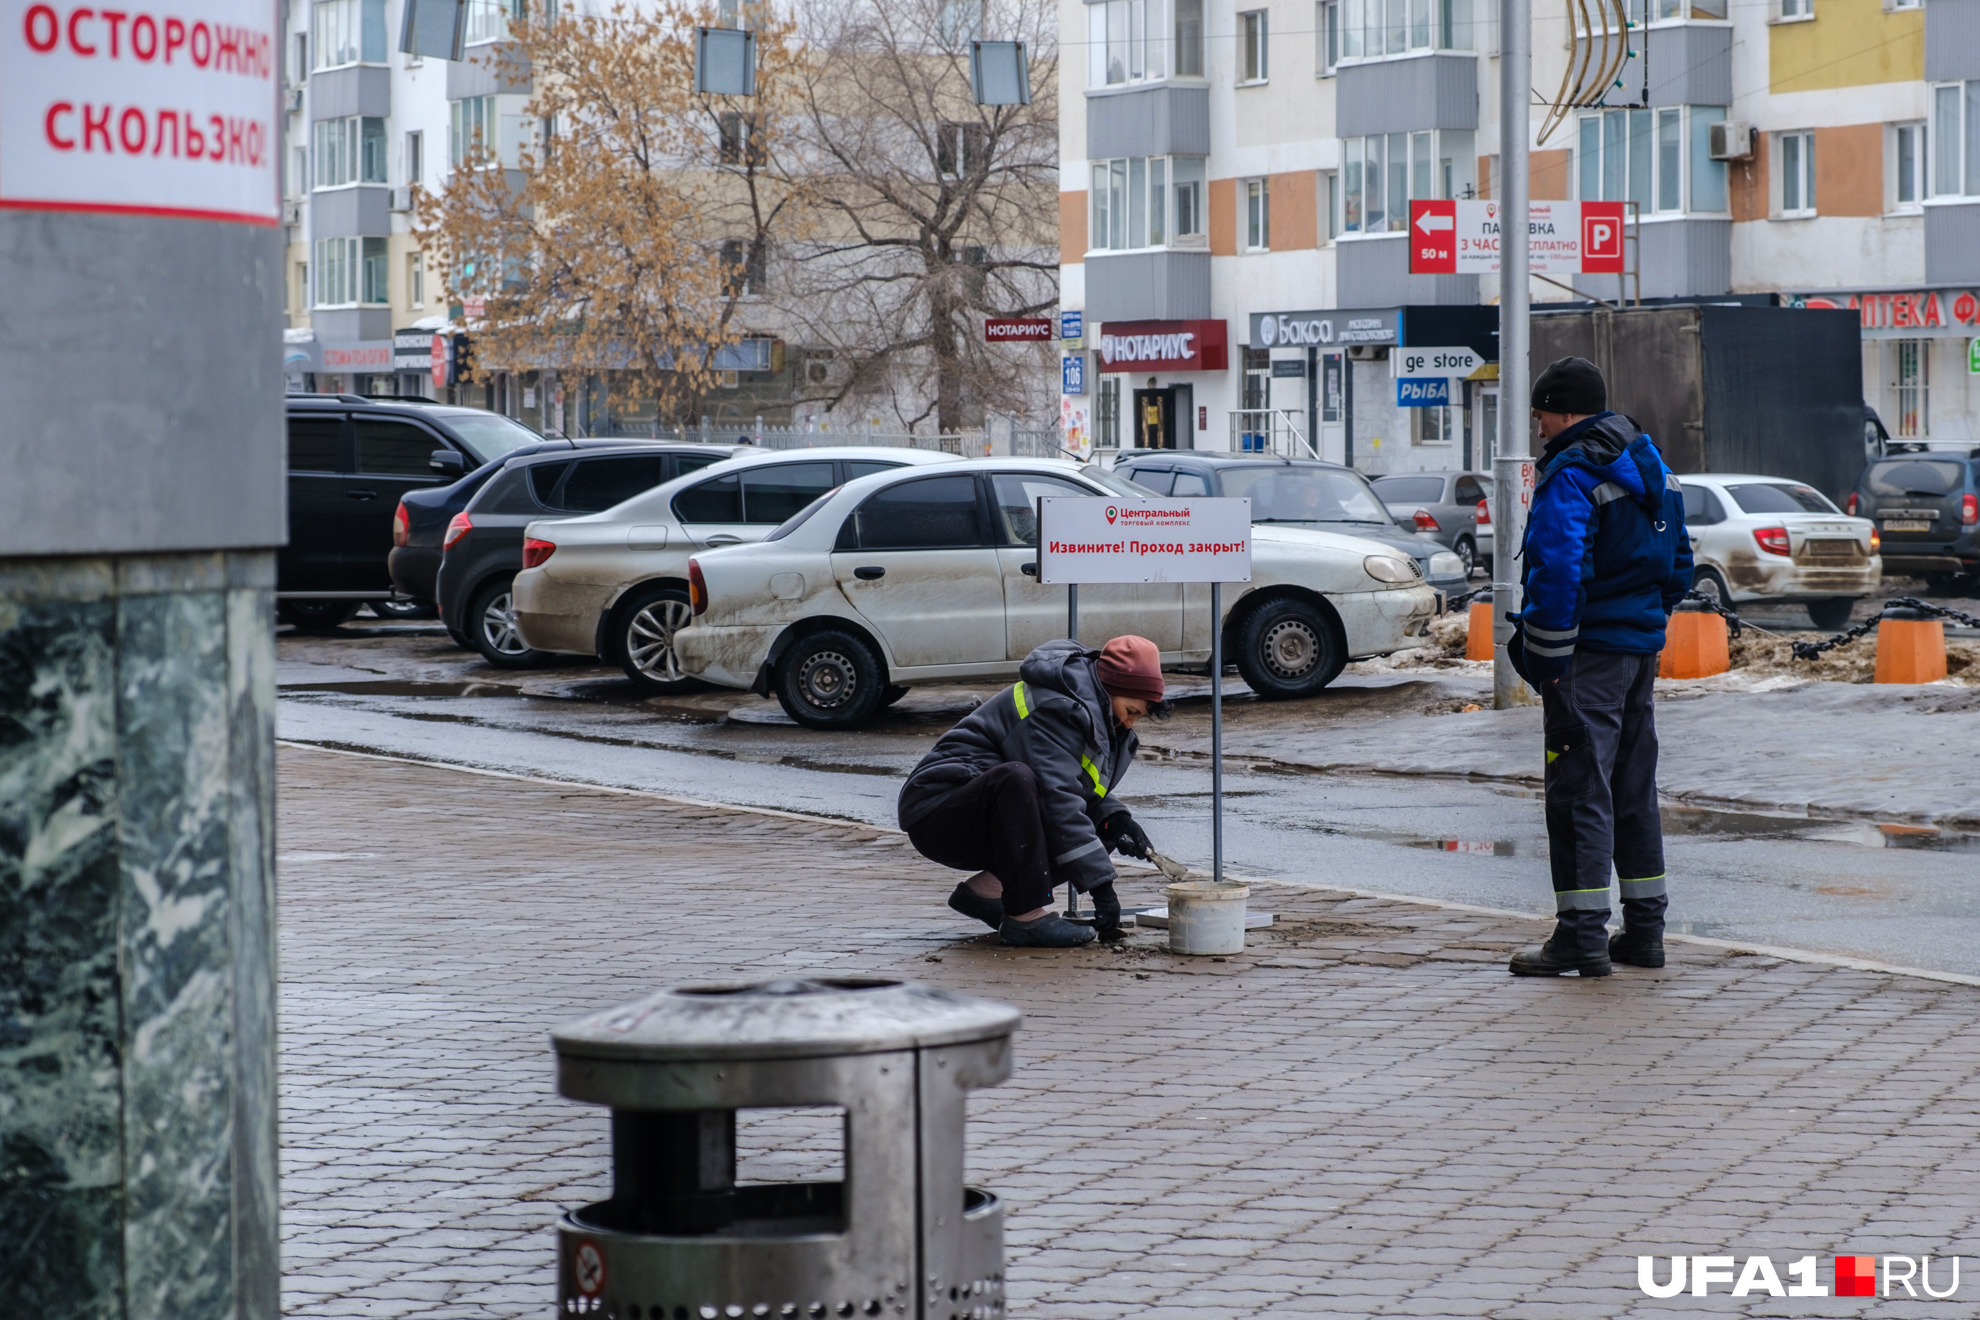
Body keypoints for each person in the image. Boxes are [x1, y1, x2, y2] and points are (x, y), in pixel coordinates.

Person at [1509, 356, 1692, 978]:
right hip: (1639, 651)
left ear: (1562, 410)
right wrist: (1644, 621)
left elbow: (1557, 570)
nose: (1538, 429)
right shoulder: (1651, 462)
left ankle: (1582, 937)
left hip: (1586, 657)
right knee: (1633, 790)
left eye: (1540, 416)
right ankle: (1644, 933)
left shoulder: (1571, 469)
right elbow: (1680, 564)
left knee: (1579, 791)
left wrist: (1547, 658)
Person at [898, 636, 1167, 948]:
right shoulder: (1057, 706)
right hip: (938, 813)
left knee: (1098, 829)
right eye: (1129, 710)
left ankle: (987, 894)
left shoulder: (1093, 712)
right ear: (1109, 691)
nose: (1130, 722)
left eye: (1138, 716)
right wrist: (1102, 889)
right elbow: (1059, 798)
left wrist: (1115, 819)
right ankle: (1025, 919)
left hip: (988, 814)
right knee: (1016, 778)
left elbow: (1075, 787)